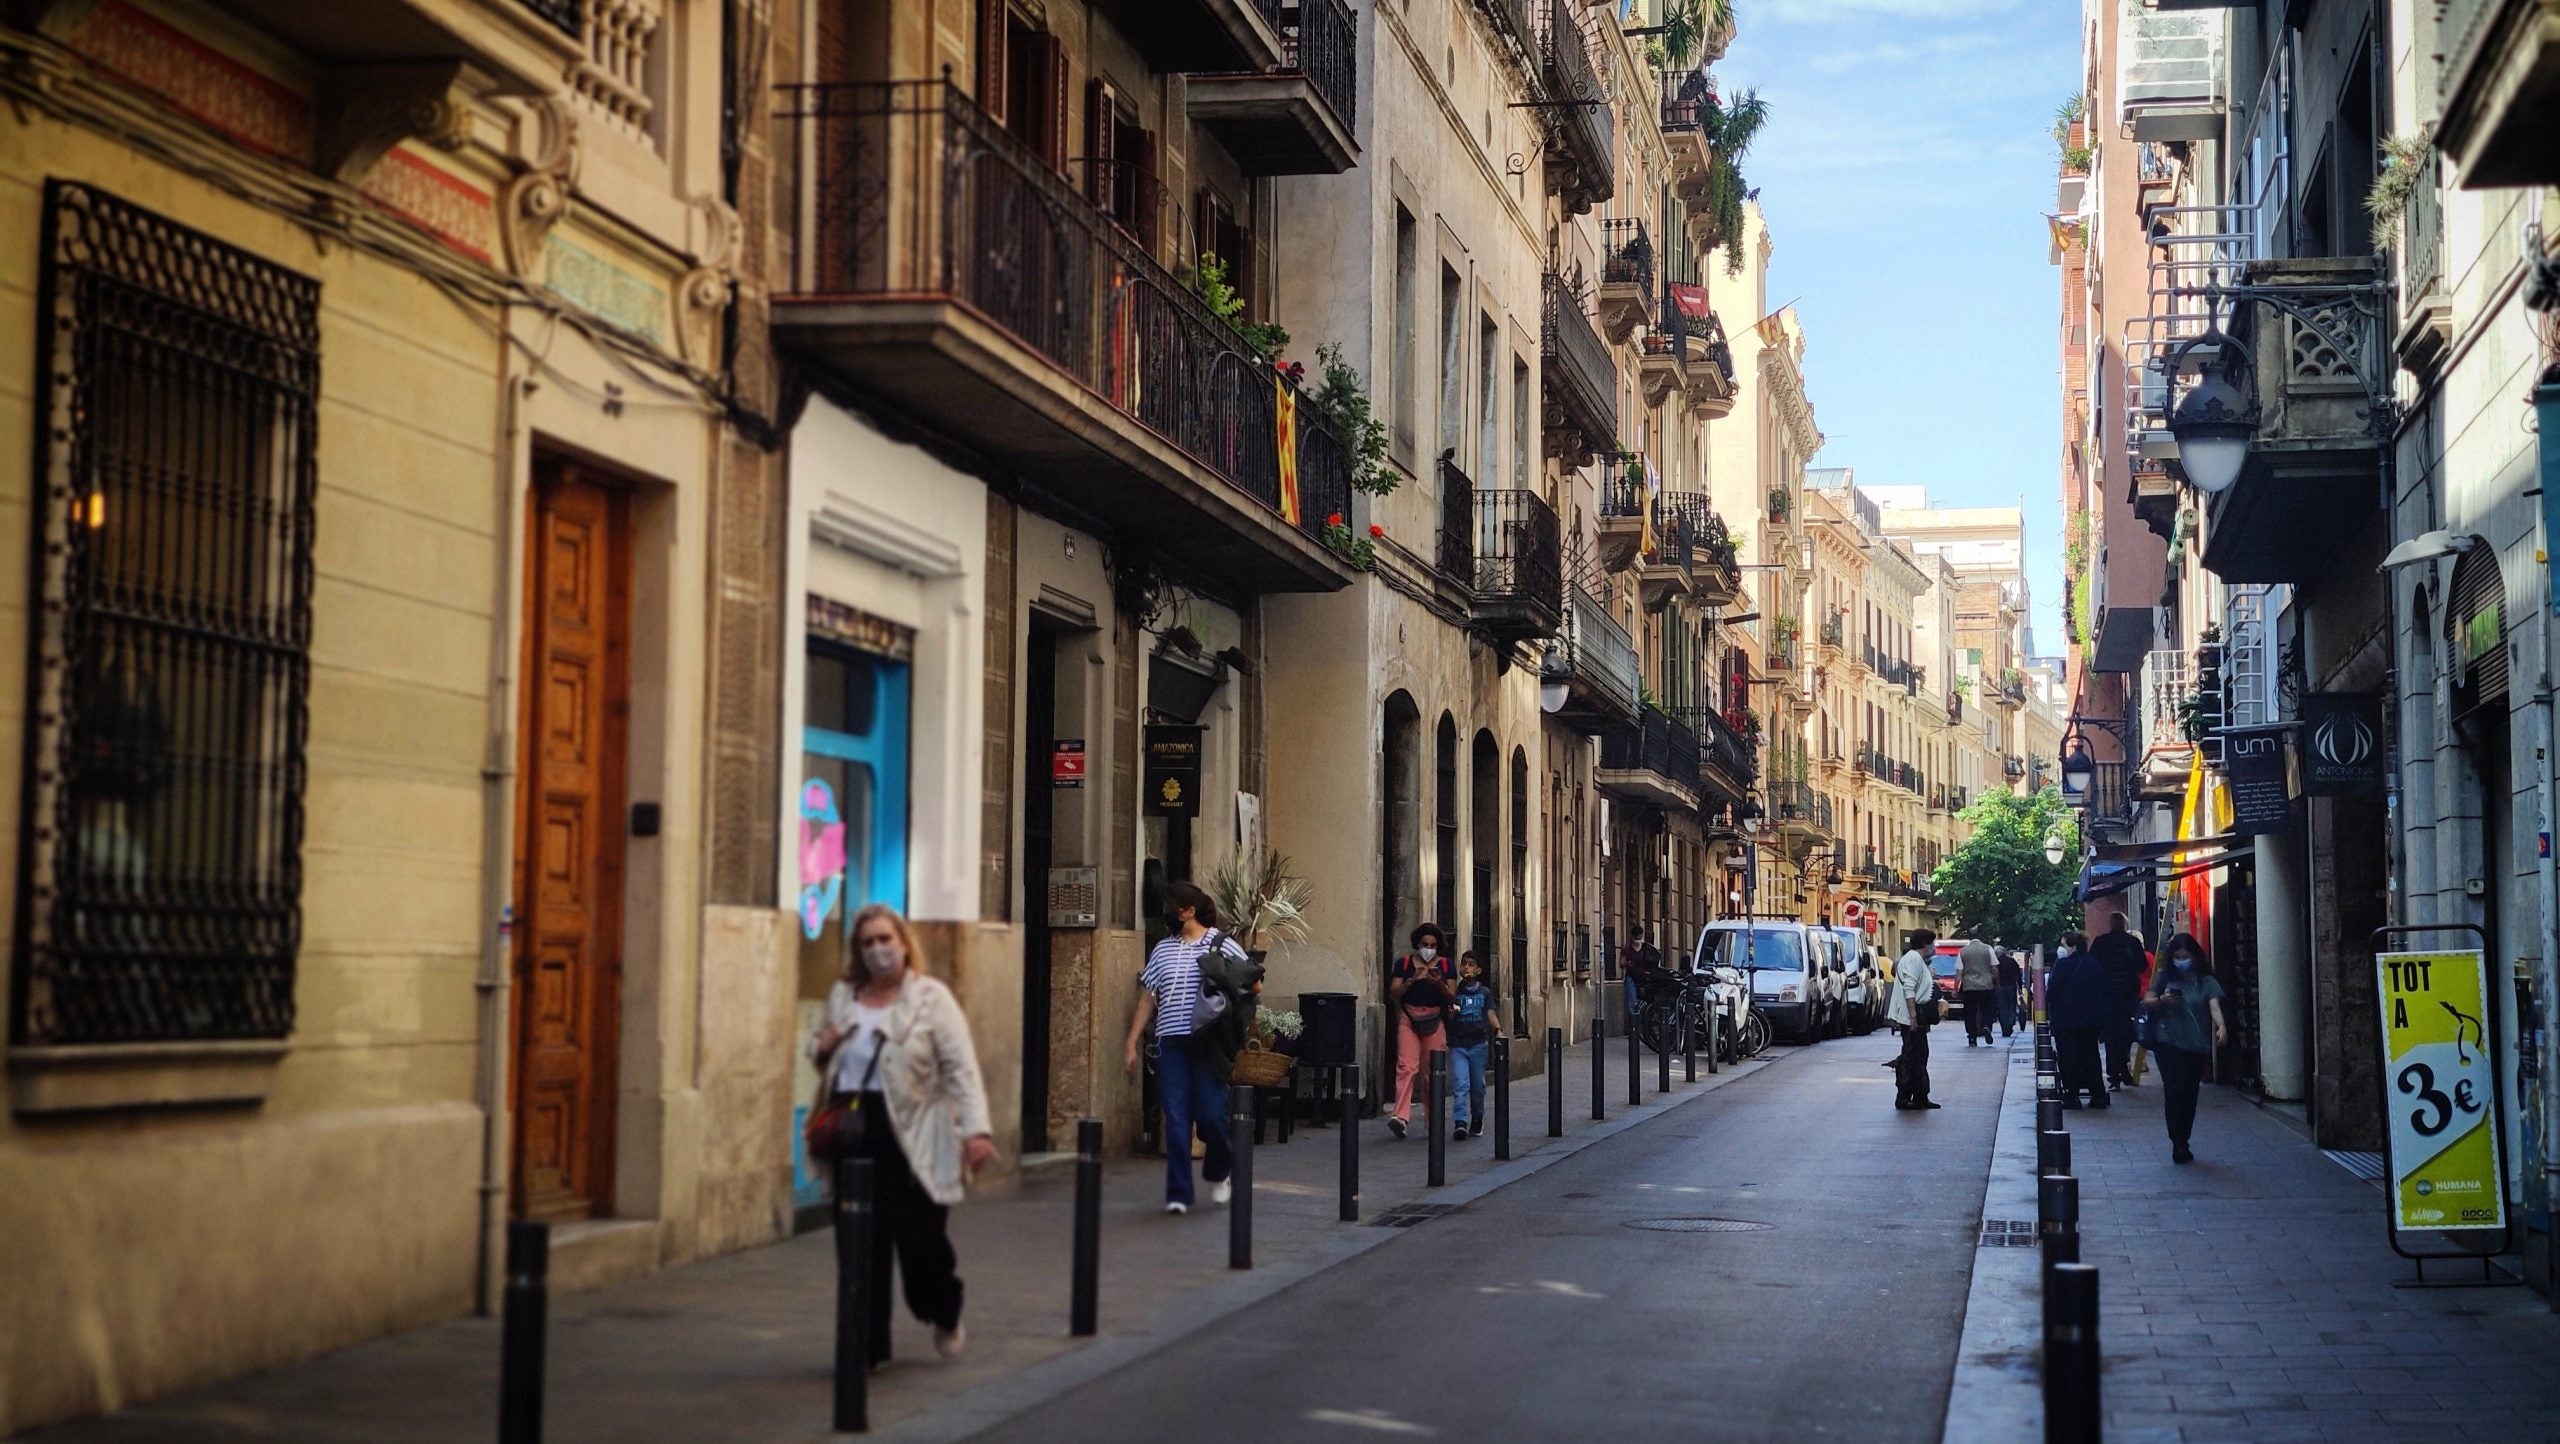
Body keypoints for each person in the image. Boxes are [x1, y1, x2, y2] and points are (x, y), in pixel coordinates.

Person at [808, 903, 996, 1365]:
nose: (878, 951)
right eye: (868, 943)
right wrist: (822, 1046)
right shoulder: (843, 996)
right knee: (859, 1245)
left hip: (916, 1135)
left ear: (903, 943)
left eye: (885, 940)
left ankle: (943, 1310)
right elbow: (821, 1055)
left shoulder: (931, 997)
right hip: (855, 1131)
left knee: (922, 1245)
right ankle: (866, 1348)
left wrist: (976, 1131)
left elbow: (961, 1068)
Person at [1124, 881, 1248, 1214]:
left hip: (1208, 1042)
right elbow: (1149, 998)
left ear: (1188, 911)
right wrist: (1132, 1041)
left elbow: (1252, 981)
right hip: (1170, 1042)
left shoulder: (1221, 944)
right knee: (1176, 1120)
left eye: (1170, 907)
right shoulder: (1163, 949)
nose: (1165, 913)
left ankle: (1221, 1169)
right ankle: (1179, 1192)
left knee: (1210, 1115)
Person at [2142, 932, 2229, 1164]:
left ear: (2194, 956)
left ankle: (2184, 1137)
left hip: (2195, 1044)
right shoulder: (2164, 977)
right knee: (2174, 1090)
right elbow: (2147, 1001)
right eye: (2177, 956)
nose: (2181, 961)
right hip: (2167, 1042)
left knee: (2189, 1093)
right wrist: (2162, 1001)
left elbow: (2214, 1005)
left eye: (2185, 956)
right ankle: (2177, 1141)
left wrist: (2221, 1026)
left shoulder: (2206, 981)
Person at [1387, 923, 1455, 1139]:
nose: (1428, 949)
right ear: (1417, 943)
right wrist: (1411, 981)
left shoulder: (1446, 966)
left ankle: (1433, 1118)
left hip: (1434, 1020)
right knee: (1406, 1066)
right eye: (1425, 944)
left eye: (1433, 945)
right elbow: (1393, 992)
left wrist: (1438, 984)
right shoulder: (1405, 963)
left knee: (1431, 1073)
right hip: (1409, 1018)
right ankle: (1400, 1116)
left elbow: (1452, 996)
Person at [2044, 931, 2109, 1109]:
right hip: (2090, 1019)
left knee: (2068, 1058)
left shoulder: (2062, 966)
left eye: (2063, 945)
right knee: (2091, 1056)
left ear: (2072, 947)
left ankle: (2071, 1095)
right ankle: (2098, 1094)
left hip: (2066, 1019)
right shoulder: (2093, 964)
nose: (2060, 949)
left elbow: (2052, 991)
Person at [2090, 912, 2149, 1089]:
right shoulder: (2132, 943)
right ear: (2124, 924)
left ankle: (2114, 1074)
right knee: (2127, 1034)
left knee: (2111, 1037)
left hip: (2107, 997)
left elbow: (2094, 966)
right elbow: (2142, 966)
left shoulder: (2101, 942)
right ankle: (2124, 1069)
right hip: (2128, 996)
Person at [1885, 930, 1941, 1109]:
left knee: (1919, 1056)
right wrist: (1913, 1017)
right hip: (1912, 1017)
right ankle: (1904, 1097)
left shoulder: (1914, 960)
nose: (1934, 947)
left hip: (1913, 1016)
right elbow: (1909, 989)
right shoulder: (1913, 960)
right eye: (1932, 943)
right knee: (1912, 1058)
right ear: (1925, 944)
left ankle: (1919, 1096)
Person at [1445, 951, 1496, 1140]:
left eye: (1471, 964)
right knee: (1460, 1084)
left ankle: (1477, 1117)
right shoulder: (1456, 992)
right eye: (1464, 964)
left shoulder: (1484, 993)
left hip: (1478, 1044)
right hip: (1458, 1043)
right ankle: (1460, 1121)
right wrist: (1451, 1013)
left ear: (1478, 970)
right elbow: (1450, 1014)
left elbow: (1490, 1013)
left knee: (1477, 1086)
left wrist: (1498, 1029)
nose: (1466, 967)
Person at [1957, 938, 1998, 1046]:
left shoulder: (1963, 951)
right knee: (1987, 1008)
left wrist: (1955, 988)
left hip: (1969, 986)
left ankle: (1972, 1036)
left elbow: (1959, 972)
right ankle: (1986, 1025)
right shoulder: (1988, 949)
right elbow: (1994, 968)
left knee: (1970, 1012)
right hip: (1986, 985)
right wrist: (1997, 982)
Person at [1621, 924, 1662, 1019]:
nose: (1639, 938)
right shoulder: (1627, 949)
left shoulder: (1645, 948)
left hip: (1644, 978)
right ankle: (1634, 1028)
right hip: (1631, 977)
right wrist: (1628, 963)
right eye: (1638, 936)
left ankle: (1641, 1025)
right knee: (1632, 1003)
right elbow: (1621, 963)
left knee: (1646, 1003)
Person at [1994, 947, 2024, 1039]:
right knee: (2011, 1006)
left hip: (2000, 988)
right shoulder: (2012, 961)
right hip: (2011, 987)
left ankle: (2005, 1027)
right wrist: (2020, 989)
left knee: (2002, 1008)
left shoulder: (1995, 963)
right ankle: (2010, 1023)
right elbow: (2018, 975)